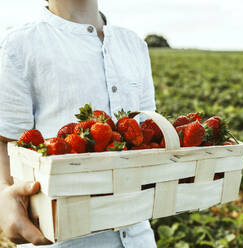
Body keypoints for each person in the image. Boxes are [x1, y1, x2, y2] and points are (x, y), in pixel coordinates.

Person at [0, 0, 157, 247]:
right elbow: (7, 143)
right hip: (61, 239)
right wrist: (3, 196)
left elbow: (149, 136)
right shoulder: (20, 45)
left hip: (139, 236)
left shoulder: (134, 45)